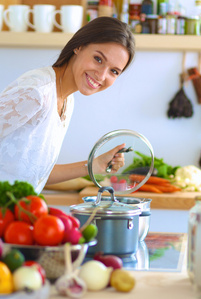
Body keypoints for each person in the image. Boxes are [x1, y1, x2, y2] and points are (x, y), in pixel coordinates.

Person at [0, 17, 136, 193]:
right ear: (79, 46)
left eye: (114, 71)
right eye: (98, 59)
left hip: (16, 213)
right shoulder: (37, 92)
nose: (102, 76)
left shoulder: (66, 101)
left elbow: (36, 174)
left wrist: (94, 165)